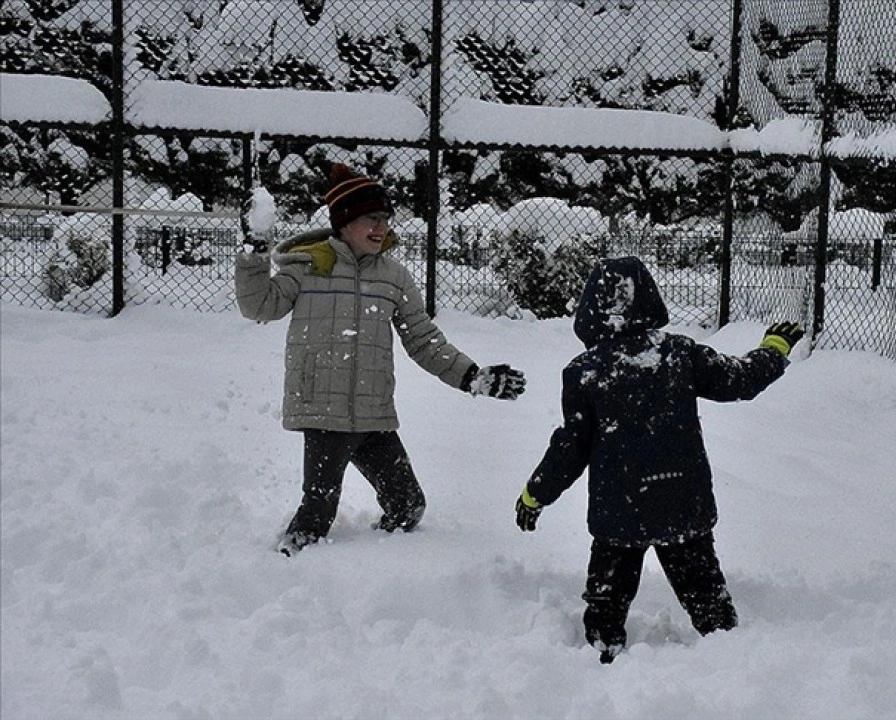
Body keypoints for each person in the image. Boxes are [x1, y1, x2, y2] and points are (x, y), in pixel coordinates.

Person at [512, 256, 803, 663]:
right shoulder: (679, 355)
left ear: (591, 311)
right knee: (705, 595)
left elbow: (570, 447)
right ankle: (731, 658)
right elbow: (739, 379)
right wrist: (773, 350)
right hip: (682, 505)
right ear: (649, 300)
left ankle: (603, 655)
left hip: (620, 514)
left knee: (607, 601)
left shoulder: (585, 372)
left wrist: (535, 493)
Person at [236, 164, 527, 556]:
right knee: (317, 515)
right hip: (324, 415)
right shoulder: (309, 266)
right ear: (344, 221)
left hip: (374, 416)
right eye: (371, 218)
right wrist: (254, 248)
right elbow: (260, 305)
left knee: (408, 506)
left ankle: (379, 565)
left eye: (386, 219)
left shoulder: (394, 277)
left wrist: (471, 376)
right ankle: (281, 579)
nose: (381, 227)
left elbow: (423, 339)